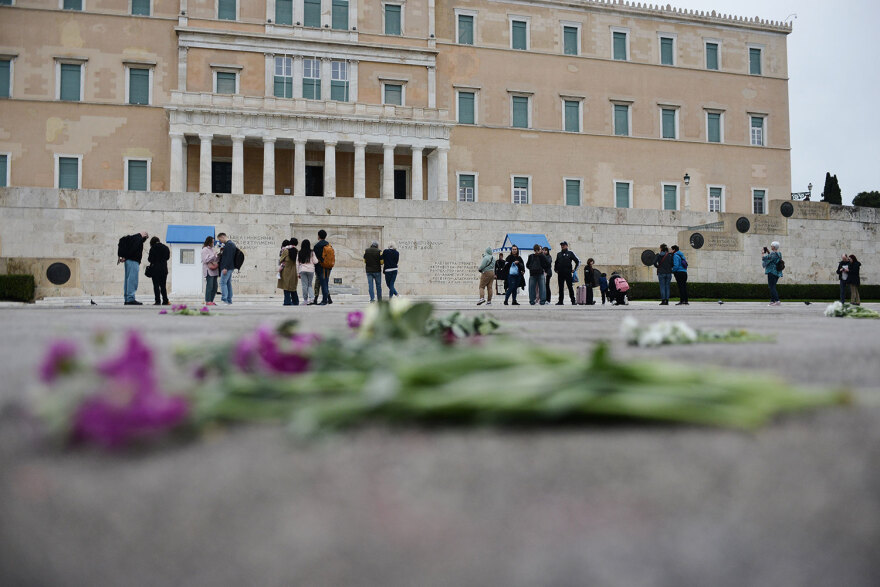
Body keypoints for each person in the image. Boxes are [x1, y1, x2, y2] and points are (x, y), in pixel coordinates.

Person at [119, 231, 148, 305]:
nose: (145, 240)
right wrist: (127, 257)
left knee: (128, 280)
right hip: (133, 261)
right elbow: (133, 249)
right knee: (132, 280)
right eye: (145, 238)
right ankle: (130, 299)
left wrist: (125, 257)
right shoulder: (138, 239)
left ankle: (127, 298)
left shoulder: (132, 238)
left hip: (128, 261)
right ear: (144, 235)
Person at [554, 241, 580, 305]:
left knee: (570, 287)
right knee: (560, 288)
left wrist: (574, 269)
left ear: (566, 246)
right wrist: (556, 269)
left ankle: (573, 301)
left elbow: (577, 261)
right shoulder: (559, 254)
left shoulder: (570, 253)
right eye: (561, 245)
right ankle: (560, 301)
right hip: (560, 273)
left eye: (563, 245)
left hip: (568, 273)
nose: (562, 246)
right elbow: (556, 263)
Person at [147, 236, 170, 306]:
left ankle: (157, 301)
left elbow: (150, 259)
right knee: (163, 286)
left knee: (156, 285)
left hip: (155, 270)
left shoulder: (152, 248)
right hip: (163, 270)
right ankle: (165, 300)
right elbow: (167, 257)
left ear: (152, 242)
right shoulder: (166, 248)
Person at [217, 232, 237, 305]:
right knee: (228, 283)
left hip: (227, 268)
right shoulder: (230, 245)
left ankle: (224, 300)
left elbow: (228, 258)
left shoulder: (229, 245)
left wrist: (225, 268)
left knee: (222, 283)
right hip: (230, 267)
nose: (220, 241)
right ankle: (229, 300)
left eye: (220, 239)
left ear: (223, 237)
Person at [313, 230, 333, 305]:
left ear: (319, 236)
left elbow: (315, 258)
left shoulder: (317, 246)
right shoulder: (329, 245)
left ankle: (324, 300)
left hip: (321, 267)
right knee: (326, 283)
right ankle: (326, 299)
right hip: (328, 266)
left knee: (323, 283)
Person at [278, 239, 299, 306]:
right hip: (294, 271)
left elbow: (281, 260)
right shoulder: (296, 251)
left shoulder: (286, 251)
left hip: (286, 271)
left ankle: (287, 301)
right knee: (293, 287)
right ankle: (295, 301)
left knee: (286, 287)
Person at [761, 241, 783, 306]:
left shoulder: (773, 254)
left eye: (771, 246)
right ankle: (772, 301)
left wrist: (762, 253)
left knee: (771, 287)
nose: (771, 247)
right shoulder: (779, 254)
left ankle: (777, 300)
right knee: (773, 286)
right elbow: (772, 258)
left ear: (773, 247)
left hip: (771, 272)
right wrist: (768, 252)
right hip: (777, 273)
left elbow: (764, 258)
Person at [297, 239, 318, 306]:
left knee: (304, 285)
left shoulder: (299, 252)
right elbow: (315, 261)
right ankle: (312, 298)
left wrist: (298, 273)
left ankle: (305, 300)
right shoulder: (312, 252)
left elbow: (297, 263)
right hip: (311, 270)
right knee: (309, 285)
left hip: (302, 270)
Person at [201, 236, 219, 306]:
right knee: (210, 286)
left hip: (214, 270)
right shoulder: (204, 249)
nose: (213, 243)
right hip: (208, 270)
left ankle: (211, 300)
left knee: (215, 287)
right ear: (209, 242)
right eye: (212, 241)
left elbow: (215, 259)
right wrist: (213, 256)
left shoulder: (212, 249)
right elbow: (205, 260)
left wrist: (218, 256)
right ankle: (208, 301)